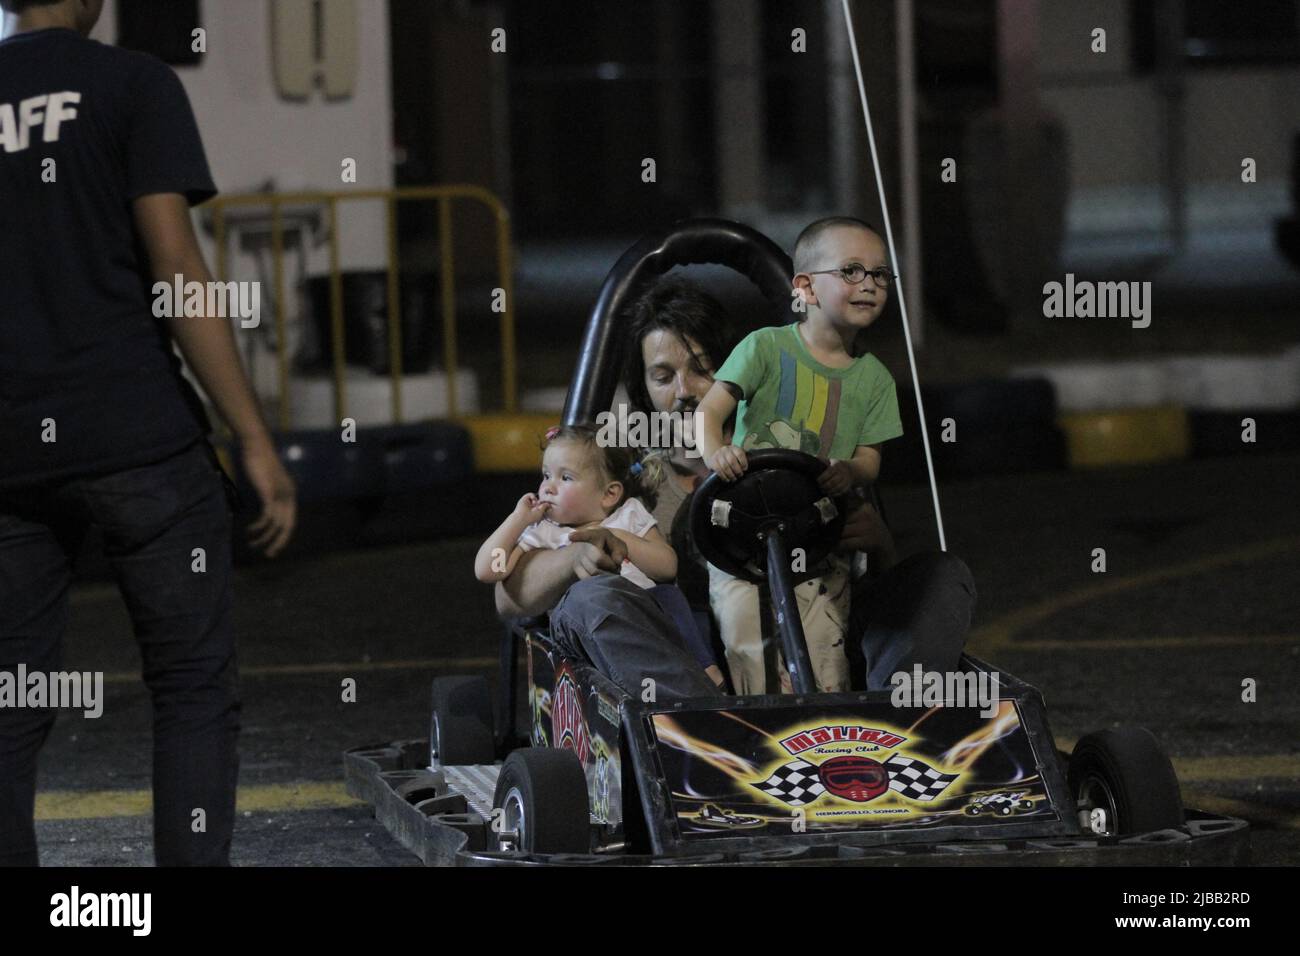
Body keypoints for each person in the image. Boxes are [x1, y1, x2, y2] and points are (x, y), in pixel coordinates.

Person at [0, 0, 297, 867]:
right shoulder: (132, 83)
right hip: (138, 439)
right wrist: (252, 435)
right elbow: (178, 270)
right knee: (192, 690)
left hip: (8, 454)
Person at [696, 217, 903, 694]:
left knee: (824, 648)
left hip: (817, 540)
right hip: (743, 537)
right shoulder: (765, 348)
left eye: (879, 274)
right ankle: (761, 735)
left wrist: (848, 469)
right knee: (749, 640)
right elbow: (708, 414)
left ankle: (827, 738)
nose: (869, 284)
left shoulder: (875, 380)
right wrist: (718, 454)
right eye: (851, 271)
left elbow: (870, 461)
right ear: (806, 288)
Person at [477, 424, 724, 693]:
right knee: (596, 600)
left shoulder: (628, 514)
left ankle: (706, 672)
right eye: (546, 475)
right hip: (593, 631)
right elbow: (489, 570)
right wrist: (517, 520)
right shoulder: (545, 531)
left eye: (565, 478)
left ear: (609, 494)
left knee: (669, 596)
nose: (548, 487)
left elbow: (666, 567)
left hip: (647, 612)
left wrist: (615, 536)